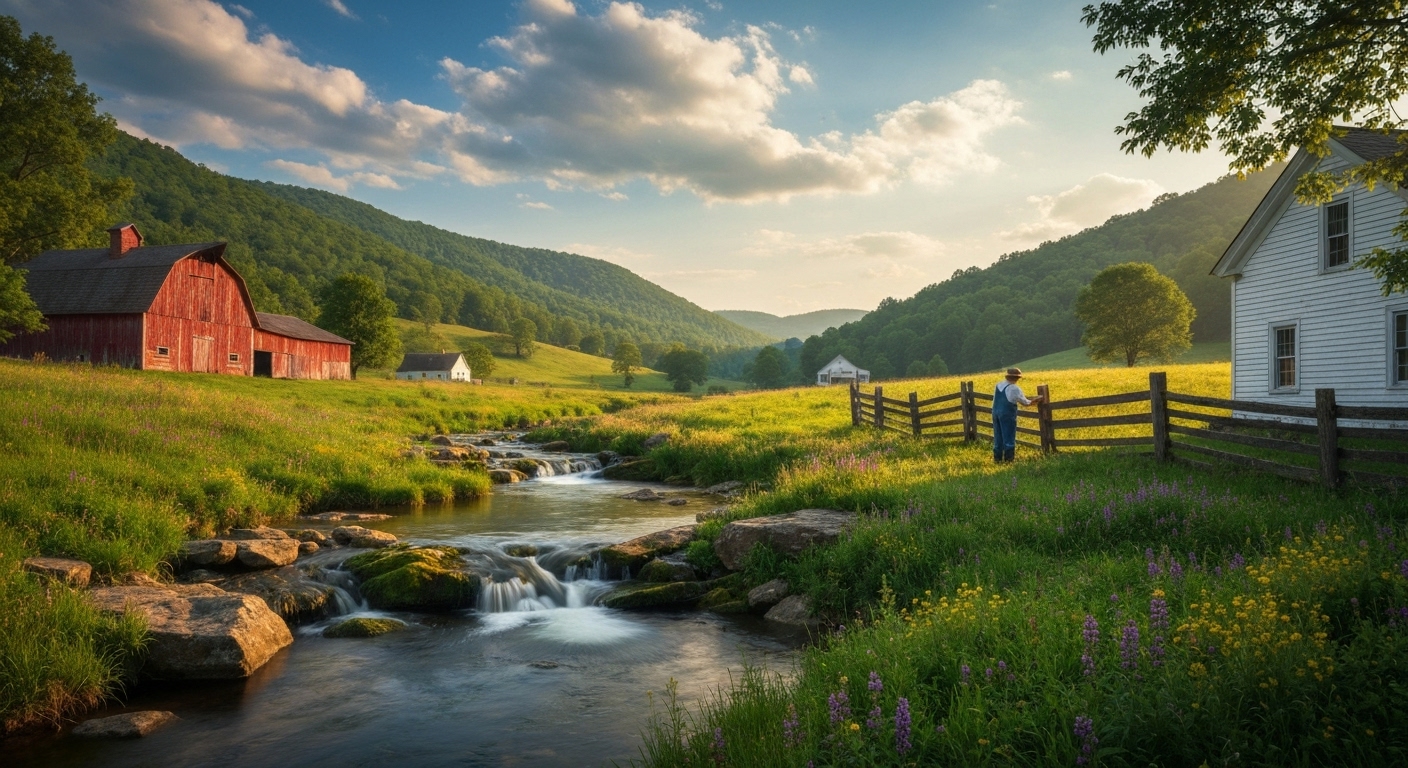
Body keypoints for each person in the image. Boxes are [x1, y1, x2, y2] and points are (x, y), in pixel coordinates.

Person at [992, 367, 1041, 463]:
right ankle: (1008, 460)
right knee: (1008, 436)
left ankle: (997, 459)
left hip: (995, 412)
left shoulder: (998, 385)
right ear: (1016, 378)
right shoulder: (1014, 388)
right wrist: (1036, 400)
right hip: (1007, 414)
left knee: (998, 436)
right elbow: (1025, 402)